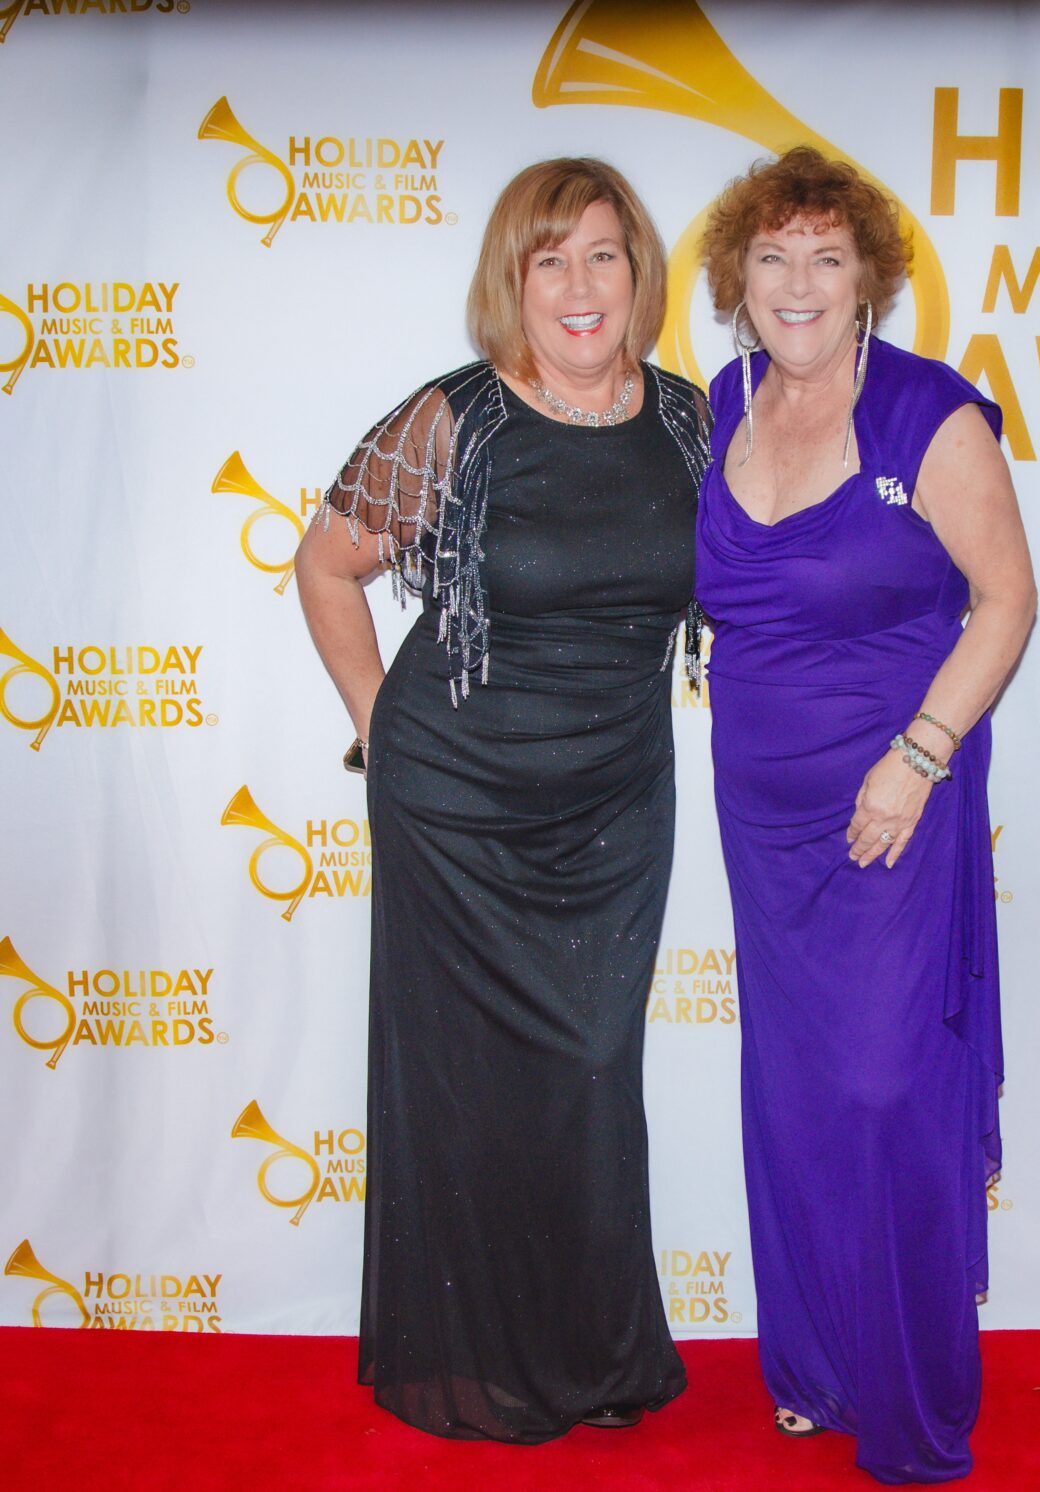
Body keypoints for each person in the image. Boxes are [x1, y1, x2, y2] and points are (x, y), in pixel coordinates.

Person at [293, 157, 707, 1443]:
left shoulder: (693, 422)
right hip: (456, 809)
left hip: (613, 802)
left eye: (602, 255)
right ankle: (486, 1363)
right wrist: (381, 730)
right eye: (549, 260)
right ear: (511, 283)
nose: (579, 287)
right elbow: (326, 561)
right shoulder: (458, 418)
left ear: (638, 271)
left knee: (591, 1072)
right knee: (468, 1085)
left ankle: (592, 1349)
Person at [695, 146, 1037, 1483]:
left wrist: (920, 753)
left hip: (896, 803)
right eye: (772, 257)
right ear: (735, 278)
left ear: (869, 281)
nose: (797, 283)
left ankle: (909, 1388)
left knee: (888, 1090)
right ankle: (815, 1366)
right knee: (793, 1094)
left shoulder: (929, 417)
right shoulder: (718, 403)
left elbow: (1006, 602)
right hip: (761, 820)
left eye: (826, 259)